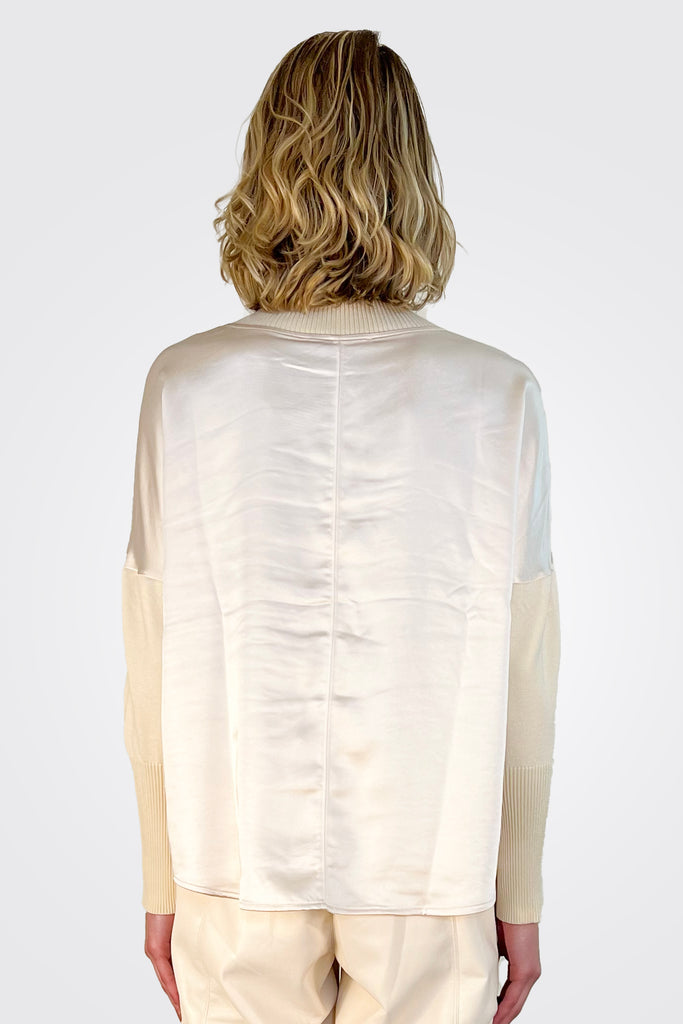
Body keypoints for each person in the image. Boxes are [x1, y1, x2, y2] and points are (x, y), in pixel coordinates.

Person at [121, 28, 561, 1024]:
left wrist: (159, 877)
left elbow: (150, 657)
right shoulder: (497, 394)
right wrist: (519, 893)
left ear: (266, 165)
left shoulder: (185, 386)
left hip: (230, 862)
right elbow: (526, 674)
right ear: (412, 175)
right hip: (433, 867)